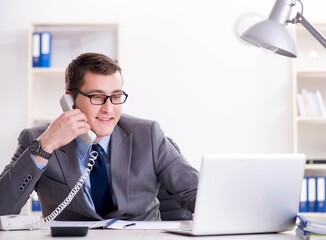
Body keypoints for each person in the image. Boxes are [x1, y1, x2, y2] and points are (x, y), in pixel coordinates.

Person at [0, 52, 198, 221]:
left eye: (116, 96)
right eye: (97, 97)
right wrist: (46, 145)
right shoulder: (36, 139)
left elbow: (195, 193)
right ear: (70, 99)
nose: (109, 109)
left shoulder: (148, 135)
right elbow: (2, 209)